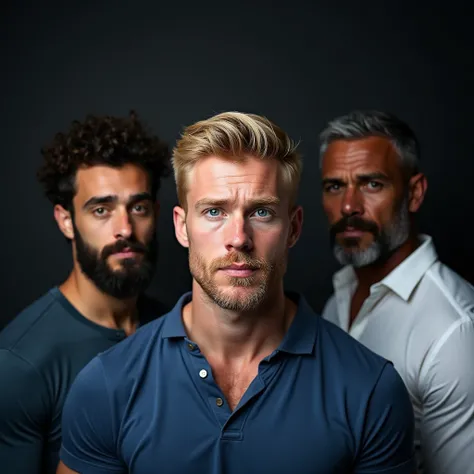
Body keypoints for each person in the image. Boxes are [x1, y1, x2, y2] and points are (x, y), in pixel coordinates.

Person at [57, 111, 416, 474]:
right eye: (214, 211)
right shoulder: (107, 384)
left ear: (293, 228)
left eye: (261, 212)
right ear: (182, 227)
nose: (238, 238)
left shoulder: (370, 389)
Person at [0, 111, 170, 474]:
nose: (124, 229)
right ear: (65, 220)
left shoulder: (177, 327)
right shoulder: (20, 363)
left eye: (138, 207)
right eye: (101, 210)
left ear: (156, 213)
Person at [319, 109, 474, 474]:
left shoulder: (454, 332)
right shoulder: (337, 297)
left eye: (372, 184)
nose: (348, 206)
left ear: (414, 193)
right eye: (334, 186)